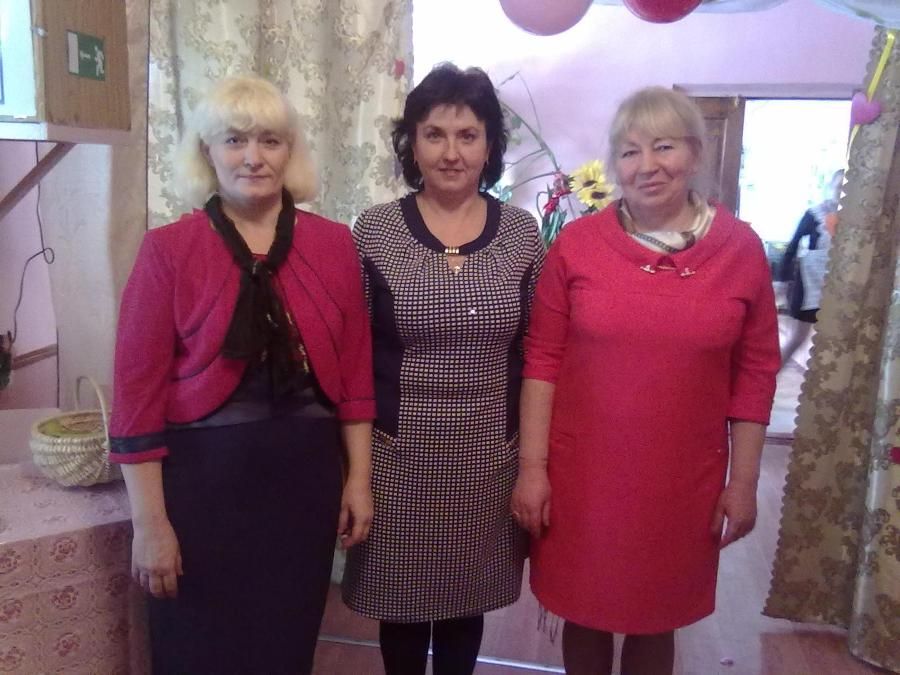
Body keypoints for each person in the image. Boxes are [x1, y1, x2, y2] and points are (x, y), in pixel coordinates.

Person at [108, 75, 375, 674]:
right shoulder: (167, 249)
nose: (253, 157)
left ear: (290, 151)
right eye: (234, 140)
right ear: (208, 151)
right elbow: (135, 397)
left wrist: (358, 480)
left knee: (286, 648)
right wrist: (150, 525)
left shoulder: (334, 245)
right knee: (197, 650)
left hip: (304, 486)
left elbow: (356, 372)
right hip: (200, 492)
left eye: (269, 141)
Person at [512, 86, 780, 675]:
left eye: (664, 146)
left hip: (682, 481)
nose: (647, 165)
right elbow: (542, 360)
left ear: (695, 152)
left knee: (657, 616)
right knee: (583, 610)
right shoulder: (577, 246)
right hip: (584, 478)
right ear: (615, 165)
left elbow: (756, 372)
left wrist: (743, 482)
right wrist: (532, 470)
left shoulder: (740, 250)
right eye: (630, 152)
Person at [341, 63, 545, 675]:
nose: (451, 152)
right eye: (434, 134)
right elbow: (353, 362)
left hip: (488, 459)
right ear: (412, 143)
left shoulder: (521, 233)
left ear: (489, 146)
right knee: (400, 610)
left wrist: (533, 464)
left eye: (467, 135)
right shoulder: (375, 230)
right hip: (396, 460)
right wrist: (355, 475)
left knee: (464, 607)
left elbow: (539, 354)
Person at [777, 169, 843, 369]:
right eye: (838, 186)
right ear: (830, 188)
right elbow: (792, 247)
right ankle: (768, 379)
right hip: (809, 283)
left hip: (838, 283)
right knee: (797, 338)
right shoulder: (815, 214)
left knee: (833, 340)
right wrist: (782, 280)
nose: (841, 191)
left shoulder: (855, 220)